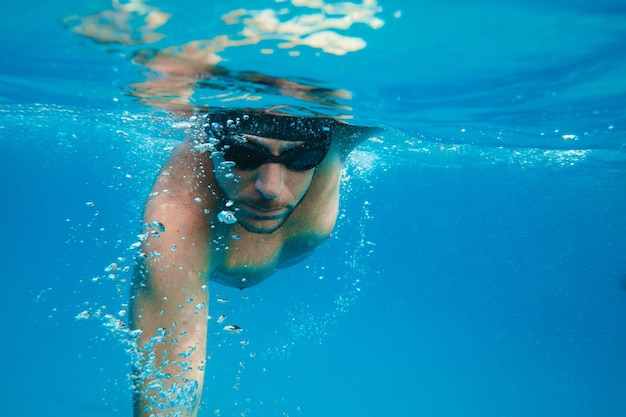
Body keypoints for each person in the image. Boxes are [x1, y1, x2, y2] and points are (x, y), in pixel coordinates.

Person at [129, 109, 378, 416]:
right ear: (211, 143)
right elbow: (167, 400)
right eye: (242, 154)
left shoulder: (338, 136)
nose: (270, 188)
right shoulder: (174, 228)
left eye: (301, 158)